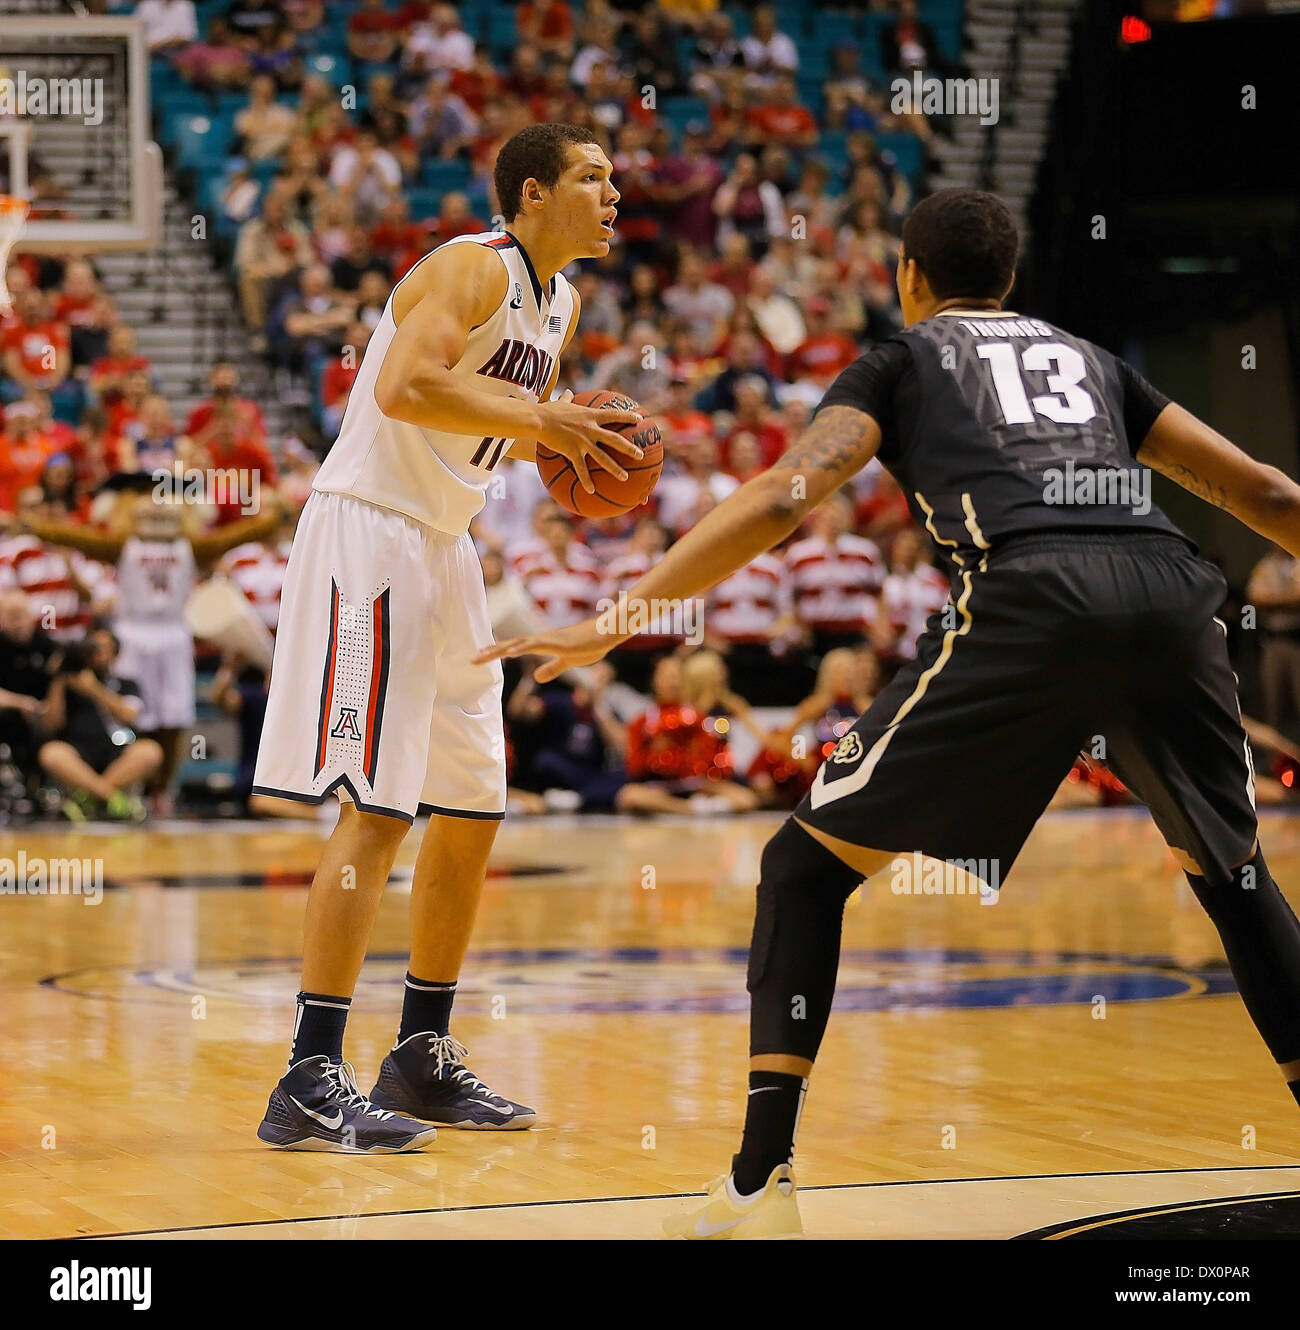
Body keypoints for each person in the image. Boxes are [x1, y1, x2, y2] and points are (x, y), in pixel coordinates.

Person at [479, 187, 1300, 1238]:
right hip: (1173, 593)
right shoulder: (1091, 361)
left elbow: (785, 494)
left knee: (805, 866)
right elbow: (1267, 496)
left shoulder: (903, 359)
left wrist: (619, 616)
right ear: (1008, 278)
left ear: (907, 276)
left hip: (1030, 591)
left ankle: (757, 1179)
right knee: (1235, 880)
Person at [250, 122, 641, 1152]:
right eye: (592, 177)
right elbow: (401, 388)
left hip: (446, 544)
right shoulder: (471, 269)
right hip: (369, 533)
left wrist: (552, 432)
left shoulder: (559, 299)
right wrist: (549, 422)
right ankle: (307, 1072)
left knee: (470, 805)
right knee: (378, 809)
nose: (614, 191)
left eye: (613, 177)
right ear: (529, 192)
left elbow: (480, 419)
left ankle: (419, 1053)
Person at [38, 626, 162, 822]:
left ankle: (87, 798)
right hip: (78, 753)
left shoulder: (126, 683)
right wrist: (59, 680)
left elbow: (129, 715)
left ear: (116, 653)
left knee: (149, 751)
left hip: (117, 752)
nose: (98, 653)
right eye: (93, 647)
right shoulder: (66, 683)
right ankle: (113, 798)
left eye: (104, 648)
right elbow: (50, 724)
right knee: (52, 753)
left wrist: (93, 689)